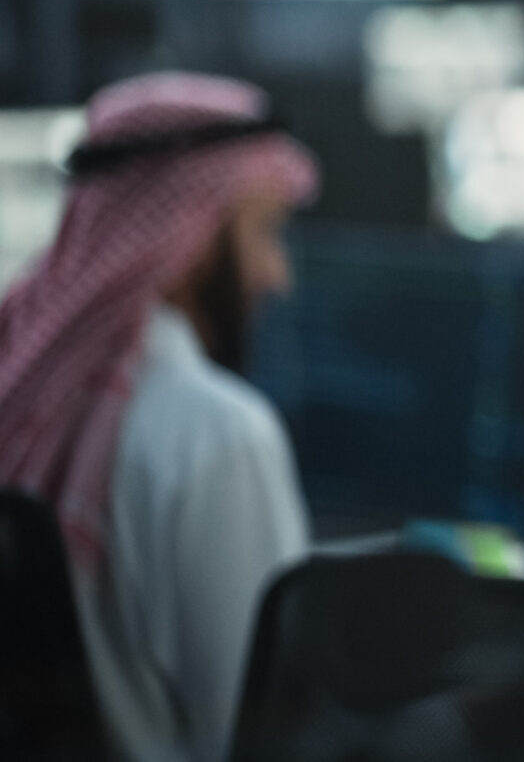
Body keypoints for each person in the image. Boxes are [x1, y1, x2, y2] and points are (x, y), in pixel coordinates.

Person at [0, 73, 320, 761]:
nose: (277, 275)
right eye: (264, 232)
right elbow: (267, 732)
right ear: (190, 238)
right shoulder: (218, 434)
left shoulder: (26, 392)